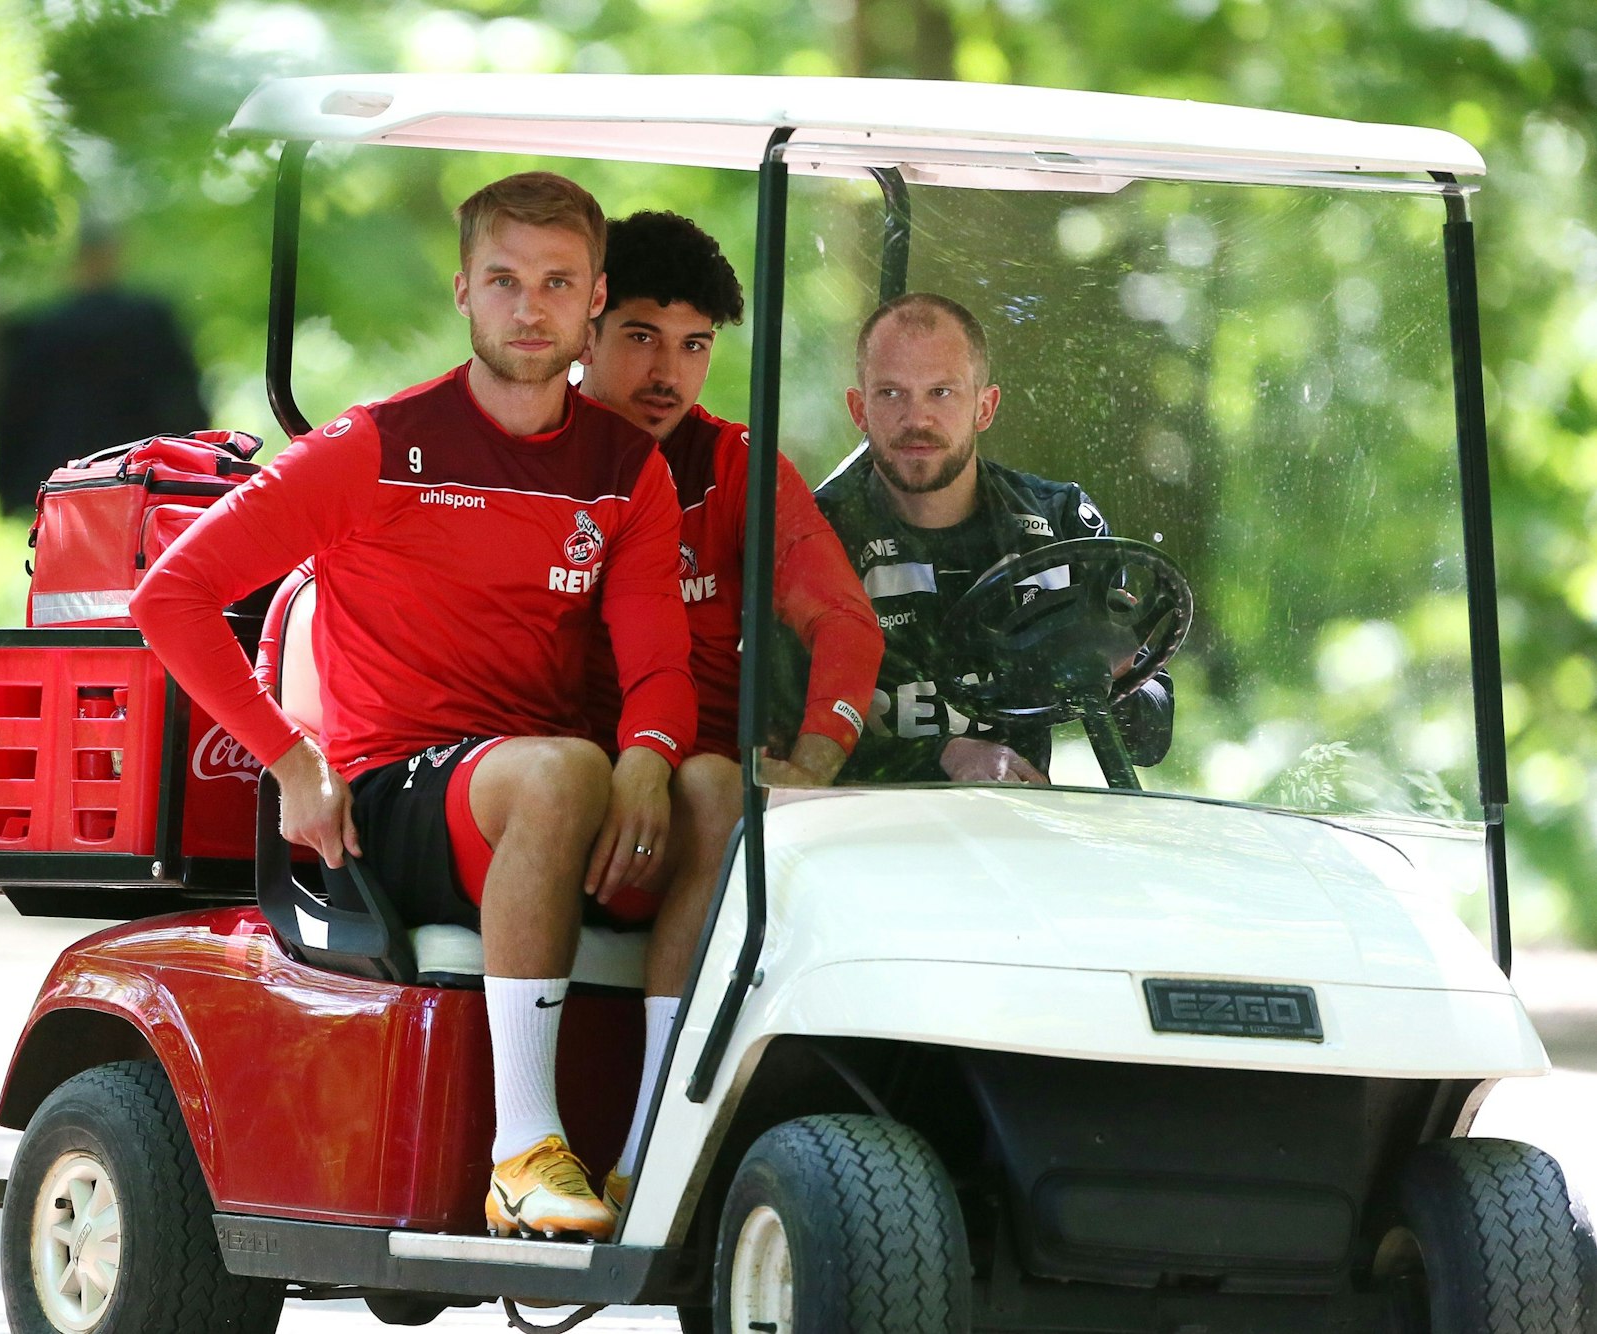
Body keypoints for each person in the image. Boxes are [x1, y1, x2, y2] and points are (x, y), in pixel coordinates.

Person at [131, 173, 696, 1243]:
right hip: (388, 802)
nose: (529, 307)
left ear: (592, 299)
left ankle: (654, 1146)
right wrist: (288, 757)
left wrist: (653, 756)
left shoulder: (626, 468)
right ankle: (522, 1147)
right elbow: (172, 596)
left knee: (710, 785)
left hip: (529, 795)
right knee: (567, 766)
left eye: (556, 282)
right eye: (503, 280)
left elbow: (659, 660)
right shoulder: (376, 443)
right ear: (463, 293)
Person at [576, 211, 882, 1209]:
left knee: (717, 779)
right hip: (558, 772)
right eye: (640, 336)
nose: (669, 370)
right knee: (700, 780)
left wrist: (813, 760)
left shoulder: (741, 467)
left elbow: (844, 624)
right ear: (584, 328)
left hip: (699, 794)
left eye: (694, 344)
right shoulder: (530, 454)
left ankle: (649, 1153)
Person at [816, 292, 1172, 784]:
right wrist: (945, 755)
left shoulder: (1060, 522)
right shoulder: (814, 534)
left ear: (985, 407)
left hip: (1015, 830)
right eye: (891, 393)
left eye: (942, 392)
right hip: (858, 831)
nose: (917, 419)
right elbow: (777, 738)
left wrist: (1110, 677)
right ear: (859, 409)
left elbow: (1151, 739)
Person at [0, 219, 207, 514]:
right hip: (137, 476)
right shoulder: (150, 322)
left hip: (62, 482)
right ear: (114, 254)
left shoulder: (42, 330)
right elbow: (183, 401)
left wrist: (4, 486)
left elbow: (15, 411)